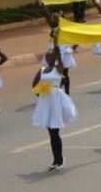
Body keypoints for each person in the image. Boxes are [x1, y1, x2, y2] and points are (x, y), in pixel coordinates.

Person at [32, 35, 78, 171]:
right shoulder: (41, 71)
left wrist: (56, 41)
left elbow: (58, 52)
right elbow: (34, 85)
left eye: (51, 55)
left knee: (55, 131)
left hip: (56, 101)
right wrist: (39, 92)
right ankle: (56, 159)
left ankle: (59, 159)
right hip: (46, 101)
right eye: (47, 55)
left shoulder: (58, 69)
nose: (49, 56)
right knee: (51, 132)